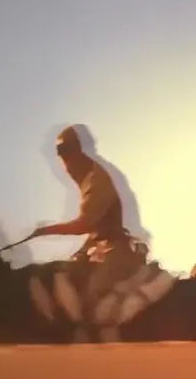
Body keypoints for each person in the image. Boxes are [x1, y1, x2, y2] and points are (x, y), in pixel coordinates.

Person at [27, 126, 148, 327]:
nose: (63, 160)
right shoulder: (86, 180)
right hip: (97, 248)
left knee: (94, 293)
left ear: (80, 150)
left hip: (116, 249)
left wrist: (47, 230)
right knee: (52, 276)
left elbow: (85, 224)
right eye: (60, 153)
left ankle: (90, 332)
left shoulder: (97, 181)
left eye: (65, 152)